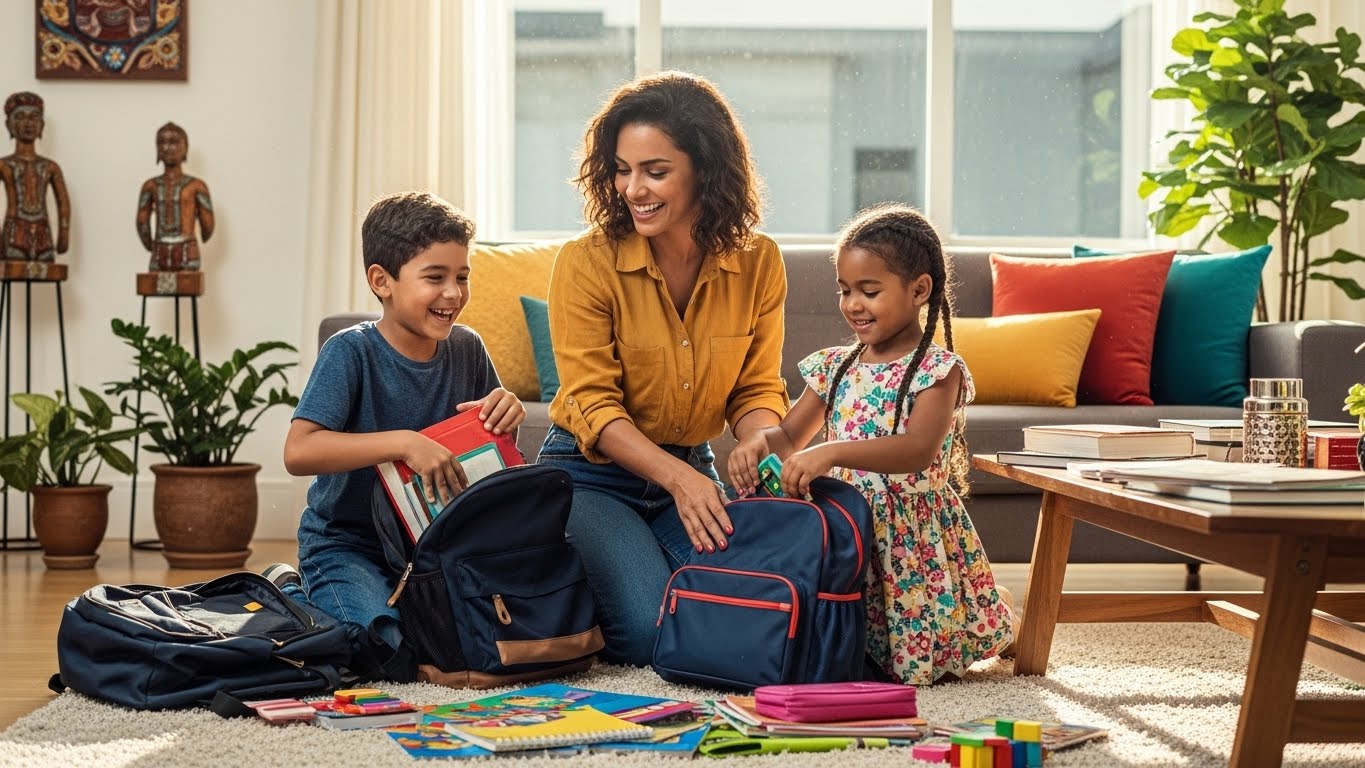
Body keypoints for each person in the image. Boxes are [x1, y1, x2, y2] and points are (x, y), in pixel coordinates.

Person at [538, 71, 789, 666]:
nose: (633, 189)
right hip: (590, 476)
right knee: (651, 630)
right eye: (622, 170)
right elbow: (593, 405)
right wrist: (680, 482)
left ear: (706, 169)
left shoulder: (758, 261)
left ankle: (622, 567)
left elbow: (755, 387)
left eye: (655, 171)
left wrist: (761, 445)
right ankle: (567, 588)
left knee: (757, 604)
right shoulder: (586, 263)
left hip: (689, 466)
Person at [728, 203, 1014, 685]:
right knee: (848, 650)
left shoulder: (937, 371)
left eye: (869, 291)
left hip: (908, 534)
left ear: (919, 290)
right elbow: (789, 435)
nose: (852, 304)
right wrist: (757, 443)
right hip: (847, 526)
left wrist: (832, 451)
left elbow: (917, 449)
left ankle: (1009, 625)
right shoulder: (835, 366)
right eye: (844, 290)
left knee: (943, 652)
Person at [269, 191, 525, 671]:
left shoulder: (468, 348)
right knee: (381, 650)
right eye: (435, 277)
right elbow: (298, 452)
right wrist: (405, 443)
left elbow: (494, 445)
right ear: (381, 281)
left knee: (485, 637)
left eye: (462, 277)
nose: (454, 293)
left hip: (435, 547)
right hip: (348, 544)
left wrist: (506, 411)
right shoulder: (351, 351)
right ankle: (288, 590)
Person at [1, 91, 70, 262]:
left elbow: (63, 202)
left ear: (42, 125)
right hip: (13, 235)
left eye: (34, 117)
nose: (28, 123)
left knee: (46, 266)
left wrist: (64, 233)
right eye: (20, 117)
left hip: (43, 236)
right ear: (9, 125)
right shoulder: (4, 165)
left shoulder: (50, 167)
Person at [135, 121, 214, 271]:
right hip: (159, 253)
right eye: (162, 142)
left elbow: (208, 226)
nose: (167, 148)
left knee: (187, 281)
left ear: (185, 148)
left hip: (187, 253)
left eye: (174, 142)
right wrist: (150, 244)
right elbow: (142, 222)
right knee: (157, 282)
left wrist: (150, 244)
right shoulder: (150, 186)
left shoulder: (197, 186)